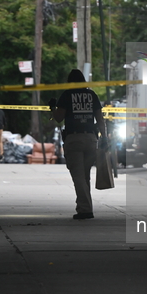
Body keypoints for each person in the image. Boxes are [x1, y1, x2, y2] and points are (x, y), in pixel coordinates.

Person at [49, 69, 107, 220]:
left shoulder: (67, 95)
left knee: (78, 176)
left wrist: (53, 108)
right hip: (91, 139)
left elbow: (59, 118)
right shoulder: (92, 95)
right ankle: (83, 207)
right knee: (84, 175)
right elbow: (100, 119)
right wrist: (105, 137)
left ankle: (86, 210)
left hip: (74, 139)